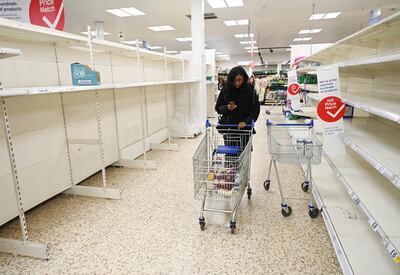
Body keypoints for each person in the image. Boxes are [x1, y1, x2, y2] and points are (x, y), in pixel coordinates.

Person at [215, 66, 260, 151]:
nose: (237, 83)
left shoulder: (250, 90)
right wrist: (227, 108)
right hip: (229, 130)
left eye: (239, 80)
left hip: (245, 131)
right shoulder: (226, 89)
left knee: (244, 157)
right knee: (230, 156)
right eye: (234, 80)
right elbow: (218, 107)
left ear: (244, 78)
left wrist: (246, 122)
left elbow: (256, 110)